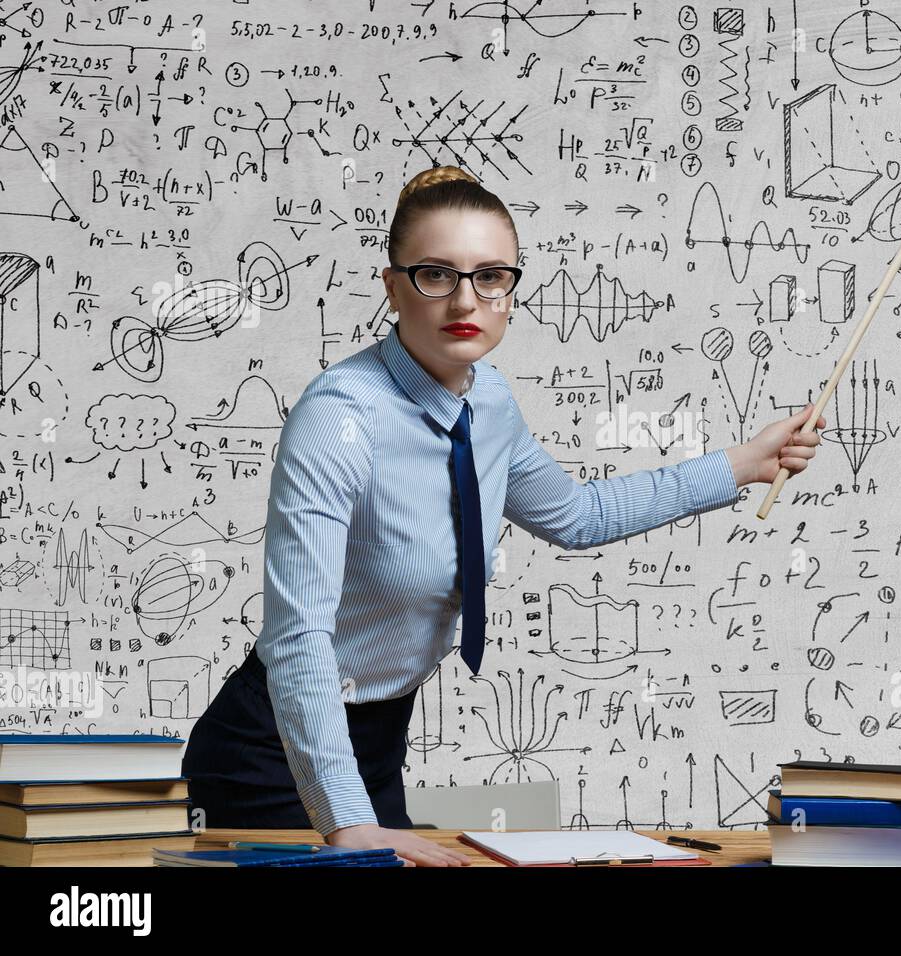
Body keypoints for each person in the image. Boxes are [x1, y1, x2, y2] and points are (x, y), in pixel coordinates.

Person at [181, 166, 825, 866]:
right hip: (271, 753)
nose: (466, 298)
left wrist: (744, 463)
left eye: (491, 276)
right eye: (436, 274)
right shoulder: (339, 419)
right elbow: (300, 632)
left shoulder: (487, 403)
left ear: (511, 290)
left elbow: (579, 515)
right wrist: (348, 823)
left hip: (372, 748)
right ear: (393, 286)